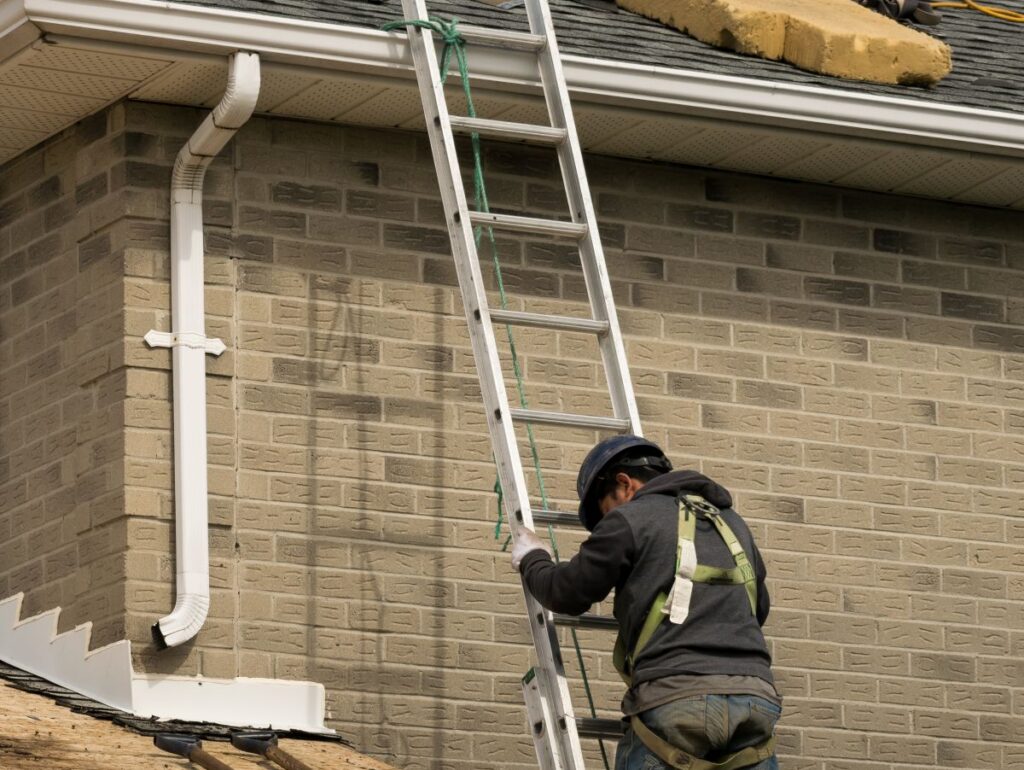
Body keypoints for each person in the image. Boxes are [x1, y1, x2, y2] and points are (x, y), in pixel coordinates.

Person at [512, 435, 781, 770]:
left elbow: (566, 593)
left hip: (676, 698)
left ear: (624, 484)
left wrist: (533, 558)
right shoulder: (733, 524)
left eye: (604, 511)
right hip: (756, 699)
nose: (606, 521)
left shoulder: (631, 518)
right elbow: (759, 607)